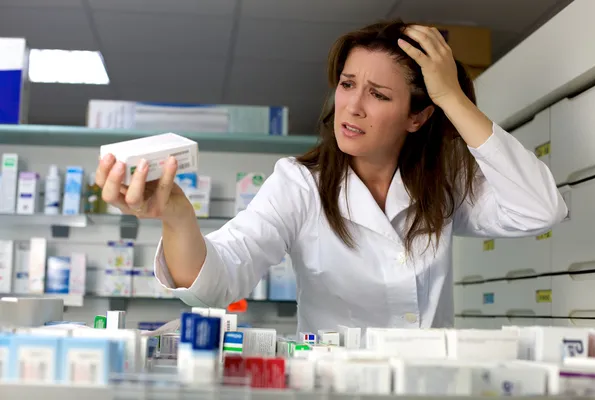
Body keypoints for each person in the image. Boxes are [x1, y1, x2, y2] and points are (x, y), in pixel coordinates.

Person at [95, 19, 568, 337]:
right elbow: (221, 278)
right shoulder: (300, 183)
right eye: (347, 84)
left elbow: (540, 209)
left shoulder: (443, 180)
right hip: (332, 386)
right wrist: (177, 217)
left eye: (379, 94)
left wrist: (454, 99)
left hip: (425, 385)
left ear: (418, 117)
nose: (352, 107)